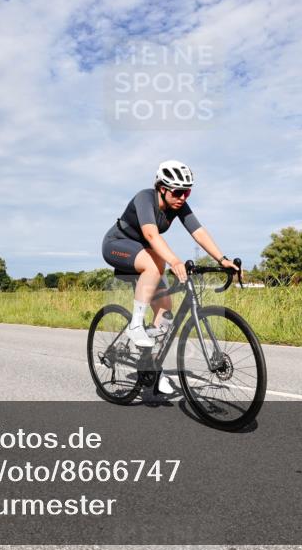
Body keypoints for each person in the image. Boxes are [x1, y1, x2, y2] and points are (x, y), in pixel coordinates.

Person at [101, 160, 240, 394]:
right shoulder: (144, 198)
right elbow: (150, 234)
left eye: (187, 192)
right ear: (162, 188)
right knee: (157, 265)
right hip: (117, 244)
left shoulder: (179, 206)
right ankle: (135, 325)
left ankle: (152, 368)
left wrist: (222, 259)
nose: (183, 197)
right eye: (178, 192)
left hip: (144, 251)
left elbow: (199, 232)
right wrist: (175, 261)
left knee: (165, 307)